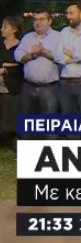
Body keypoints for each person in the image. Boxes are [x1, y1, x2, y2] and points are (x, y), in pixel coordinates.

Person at [15, 9, 61, 119]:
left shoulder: (59, 37)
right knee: (27, 123)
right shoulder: (27, 37)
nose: (38, 22)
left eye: (42, 19)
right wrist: (32, 55)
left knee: (49, 124)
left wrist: (44, 52)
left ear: (49, 21)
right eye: (35, 19)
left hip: (49, 89)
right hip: (28, 87)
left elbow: (62, 57)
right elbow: (18, 56)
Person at [0, 16, 23, 145]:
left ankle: (12, 141)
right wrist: (6, 66)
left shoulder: (20, 46)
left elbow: (19, 65)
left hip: (12, 87)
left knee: (11, 115)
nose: (2, 29)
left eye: (5, 27)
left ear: (14, 29)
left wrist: (5, 68)